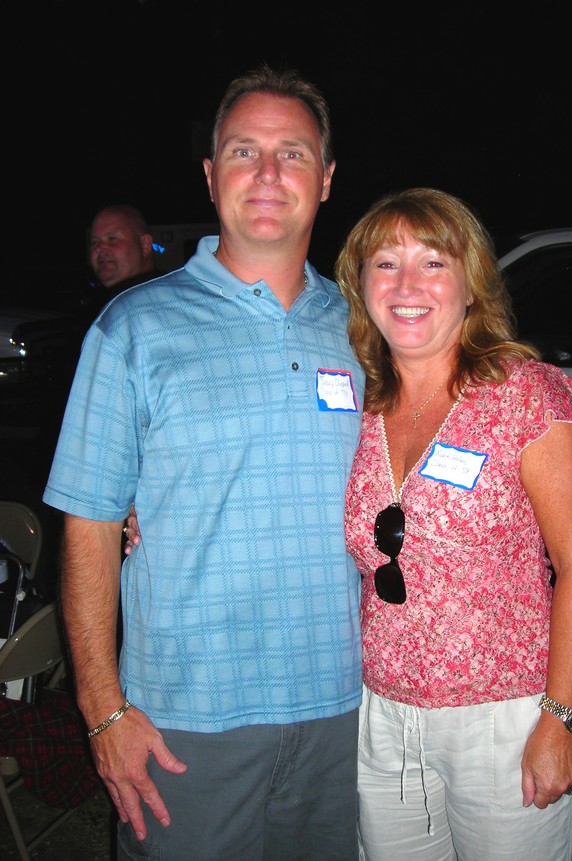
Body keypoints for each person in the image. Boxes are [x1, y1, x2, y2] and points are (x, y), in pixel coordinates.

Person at [43, 65, 365, 861]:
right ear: (212, 174)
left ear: (326, 179)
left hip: (346, 708)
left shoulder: (365, 327)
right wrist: (102, 707)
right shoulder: (134, 328)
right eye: (244, 151)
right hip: (187, 722)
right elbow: (88, 524)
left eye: (292, 153)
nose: (268, 173)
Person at [334, 187, 572, 860]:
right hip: (382, 715)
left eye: (433, 262)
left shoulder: (523, 394)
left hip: (504, 719)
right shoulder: (356, 401)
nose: (406, 285)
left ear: (471, 284)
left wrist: (561, 719)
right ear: (361, 284)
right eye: (386, 263)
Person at [84, 203, 162, 317]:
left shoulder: (165, 302)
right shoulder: (99, 308)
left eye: (112, 239)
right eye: (94, 242)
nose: (99, 248)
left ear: (145, 245)